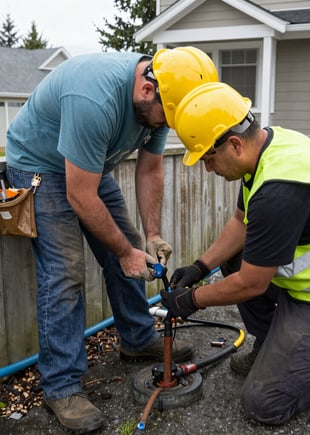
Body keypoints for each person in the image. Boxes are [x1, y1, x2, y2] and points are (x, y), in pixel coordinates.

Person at [5, 47, 218, 433]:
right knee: (65, 270)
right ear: (147, 90)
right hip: (39, 166)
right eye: (167, 118)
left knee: (131, 243)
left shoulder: (167, 93)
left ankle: (136, 338)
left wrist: (151, 235)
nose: (164, 125)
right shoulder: (94, 96)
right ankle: (61, 386)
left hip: (88, 163)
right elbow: (80, 195)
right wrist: (123, 252)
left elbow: (151, 169)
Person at [161, 82, 310, 425]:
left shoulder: (281, 190)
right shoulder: (268, 148)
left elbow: (251, 284)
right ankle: (273, 346)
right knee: (234, 258)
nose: (207, 168)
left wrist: (190, 301)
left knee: (264, 404)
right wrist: (200, 267)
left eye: (208, 158)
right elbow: (241, 220)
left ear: (233, 143)